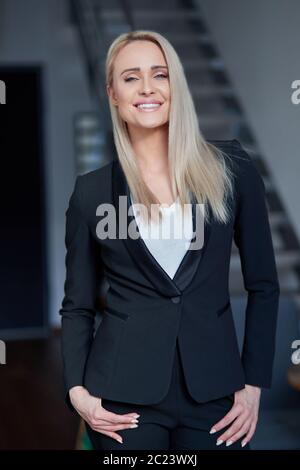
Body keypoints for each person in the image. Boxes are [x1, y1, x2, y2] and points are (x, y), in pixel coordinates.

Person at [59, 30, 280, 450]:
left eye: (159, 74)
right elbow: (78, 304)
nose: (147, 88)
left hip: (216, 392)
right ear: (113, 94)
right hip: (122, 397)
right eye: (130, 77)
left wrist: (253, 383)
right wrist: (78, 393)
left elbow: (264, 286)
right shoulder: (91, 193)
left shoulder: (232, 168)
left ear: (175, 86)